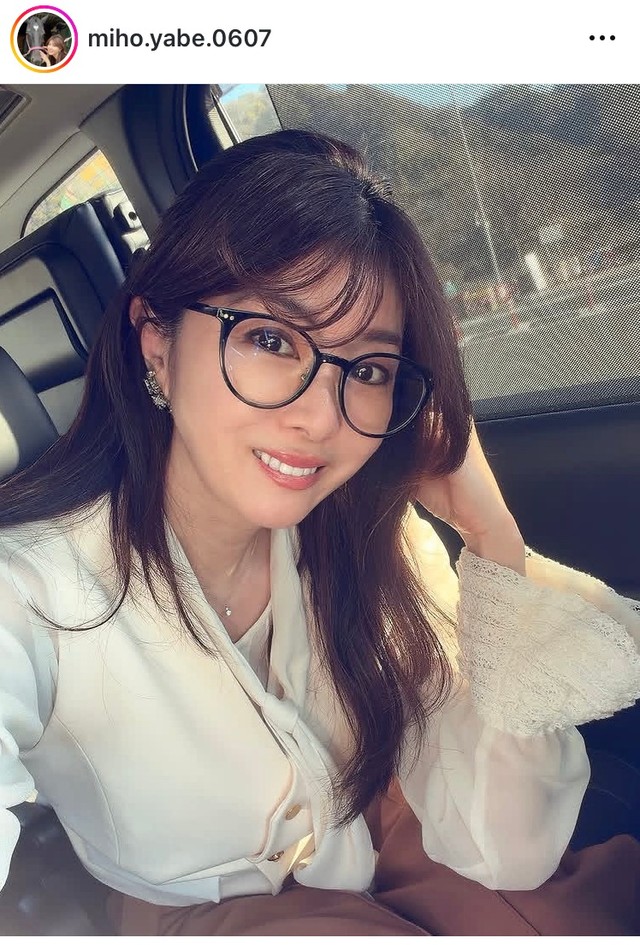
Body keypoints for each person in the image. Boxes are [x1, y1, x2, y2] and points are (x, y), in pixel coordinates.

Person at [1, 129, 640, 936]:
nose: (320, 416)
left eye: (367, 369)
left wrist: (490, 534)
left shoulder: (369, 534)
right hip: (199, 910)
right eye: (270, 340)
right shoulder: (32, 589)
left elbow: (509, 848)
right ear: (156, 341)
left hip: (379, 844)